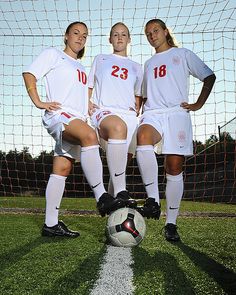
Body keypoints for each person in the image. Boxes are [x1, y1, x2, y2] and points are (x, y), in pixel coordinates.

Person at [23, 21, 124, 238]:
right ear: (66, 36)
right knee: (89, 136)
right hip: (60, 115)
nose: (80, 37)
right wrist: (39, 101)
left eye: (84, 35)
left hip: (76, 117)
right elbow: (29, 74)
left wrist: (89, 106)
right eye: (76, 33)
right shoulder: (53, 54)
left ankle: (50, 224)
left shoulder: (80, 67)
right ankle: (102, 197)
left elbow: (79, 95)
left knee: (61, 169)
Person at [136, 19, 216, 241]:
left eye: (155, 30)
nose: (152, 35)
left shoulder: (183, 54)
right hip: (153, 114)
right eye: (148, 33)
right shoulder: (148, 64)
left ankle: (170, 224)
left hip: (177, 115)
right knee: (143, 136)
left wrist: (198, 104)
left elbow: (209, 76)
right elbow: (142, 97)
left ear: (165, 31)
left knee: (173, 168)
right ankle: (152, 199)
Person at [88, 22, 143, 206]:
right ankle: (121, 192)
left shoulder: (137, 67)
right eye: (116, 34)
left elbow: (138, 95)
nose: (119, 37)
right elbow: (89, 86)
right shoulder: (100, 59)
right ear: (110, 39)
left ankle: (112, 208)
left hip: (128, 117)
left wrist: (135, 109)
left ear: (129, 39)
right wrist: (87, 104)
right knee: (117, 129)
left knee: (121, 165)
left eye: (124, 34)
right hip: (104, 111)